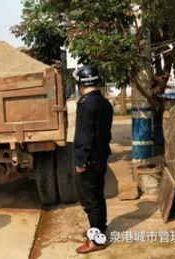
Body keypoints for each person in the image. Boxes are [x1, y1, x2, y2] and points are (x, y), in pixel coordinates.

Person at [73, 66, 113, 254]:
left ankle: (96, 241)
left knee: (90, 201)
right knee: (98, 195)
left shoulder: (85, 103)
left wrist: (81, 161)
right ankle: (99, 231)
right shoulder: (104, 103)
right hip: (100, 157)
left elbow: (85, 136)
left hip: (88, 160)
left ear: (81, 83)